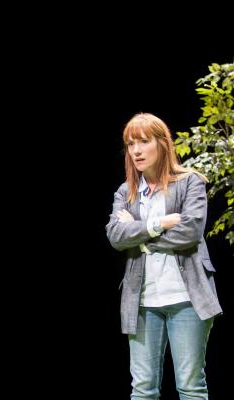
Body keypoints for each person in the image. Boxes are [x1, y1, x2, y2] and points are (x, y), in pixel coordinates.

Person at [105, 112, 222, 399]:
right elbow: (116, 236)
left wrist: (141, 238)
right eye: (130, 144)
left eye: (143, 142)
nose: (136, 150)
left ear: (162, 144)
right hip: (142, 302)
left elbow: (190, 232)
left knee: (190, 386)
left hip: (187, 298)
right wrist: (158, 224)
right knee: (143, 389)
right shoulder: (127, 192)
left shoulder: (190, 182)